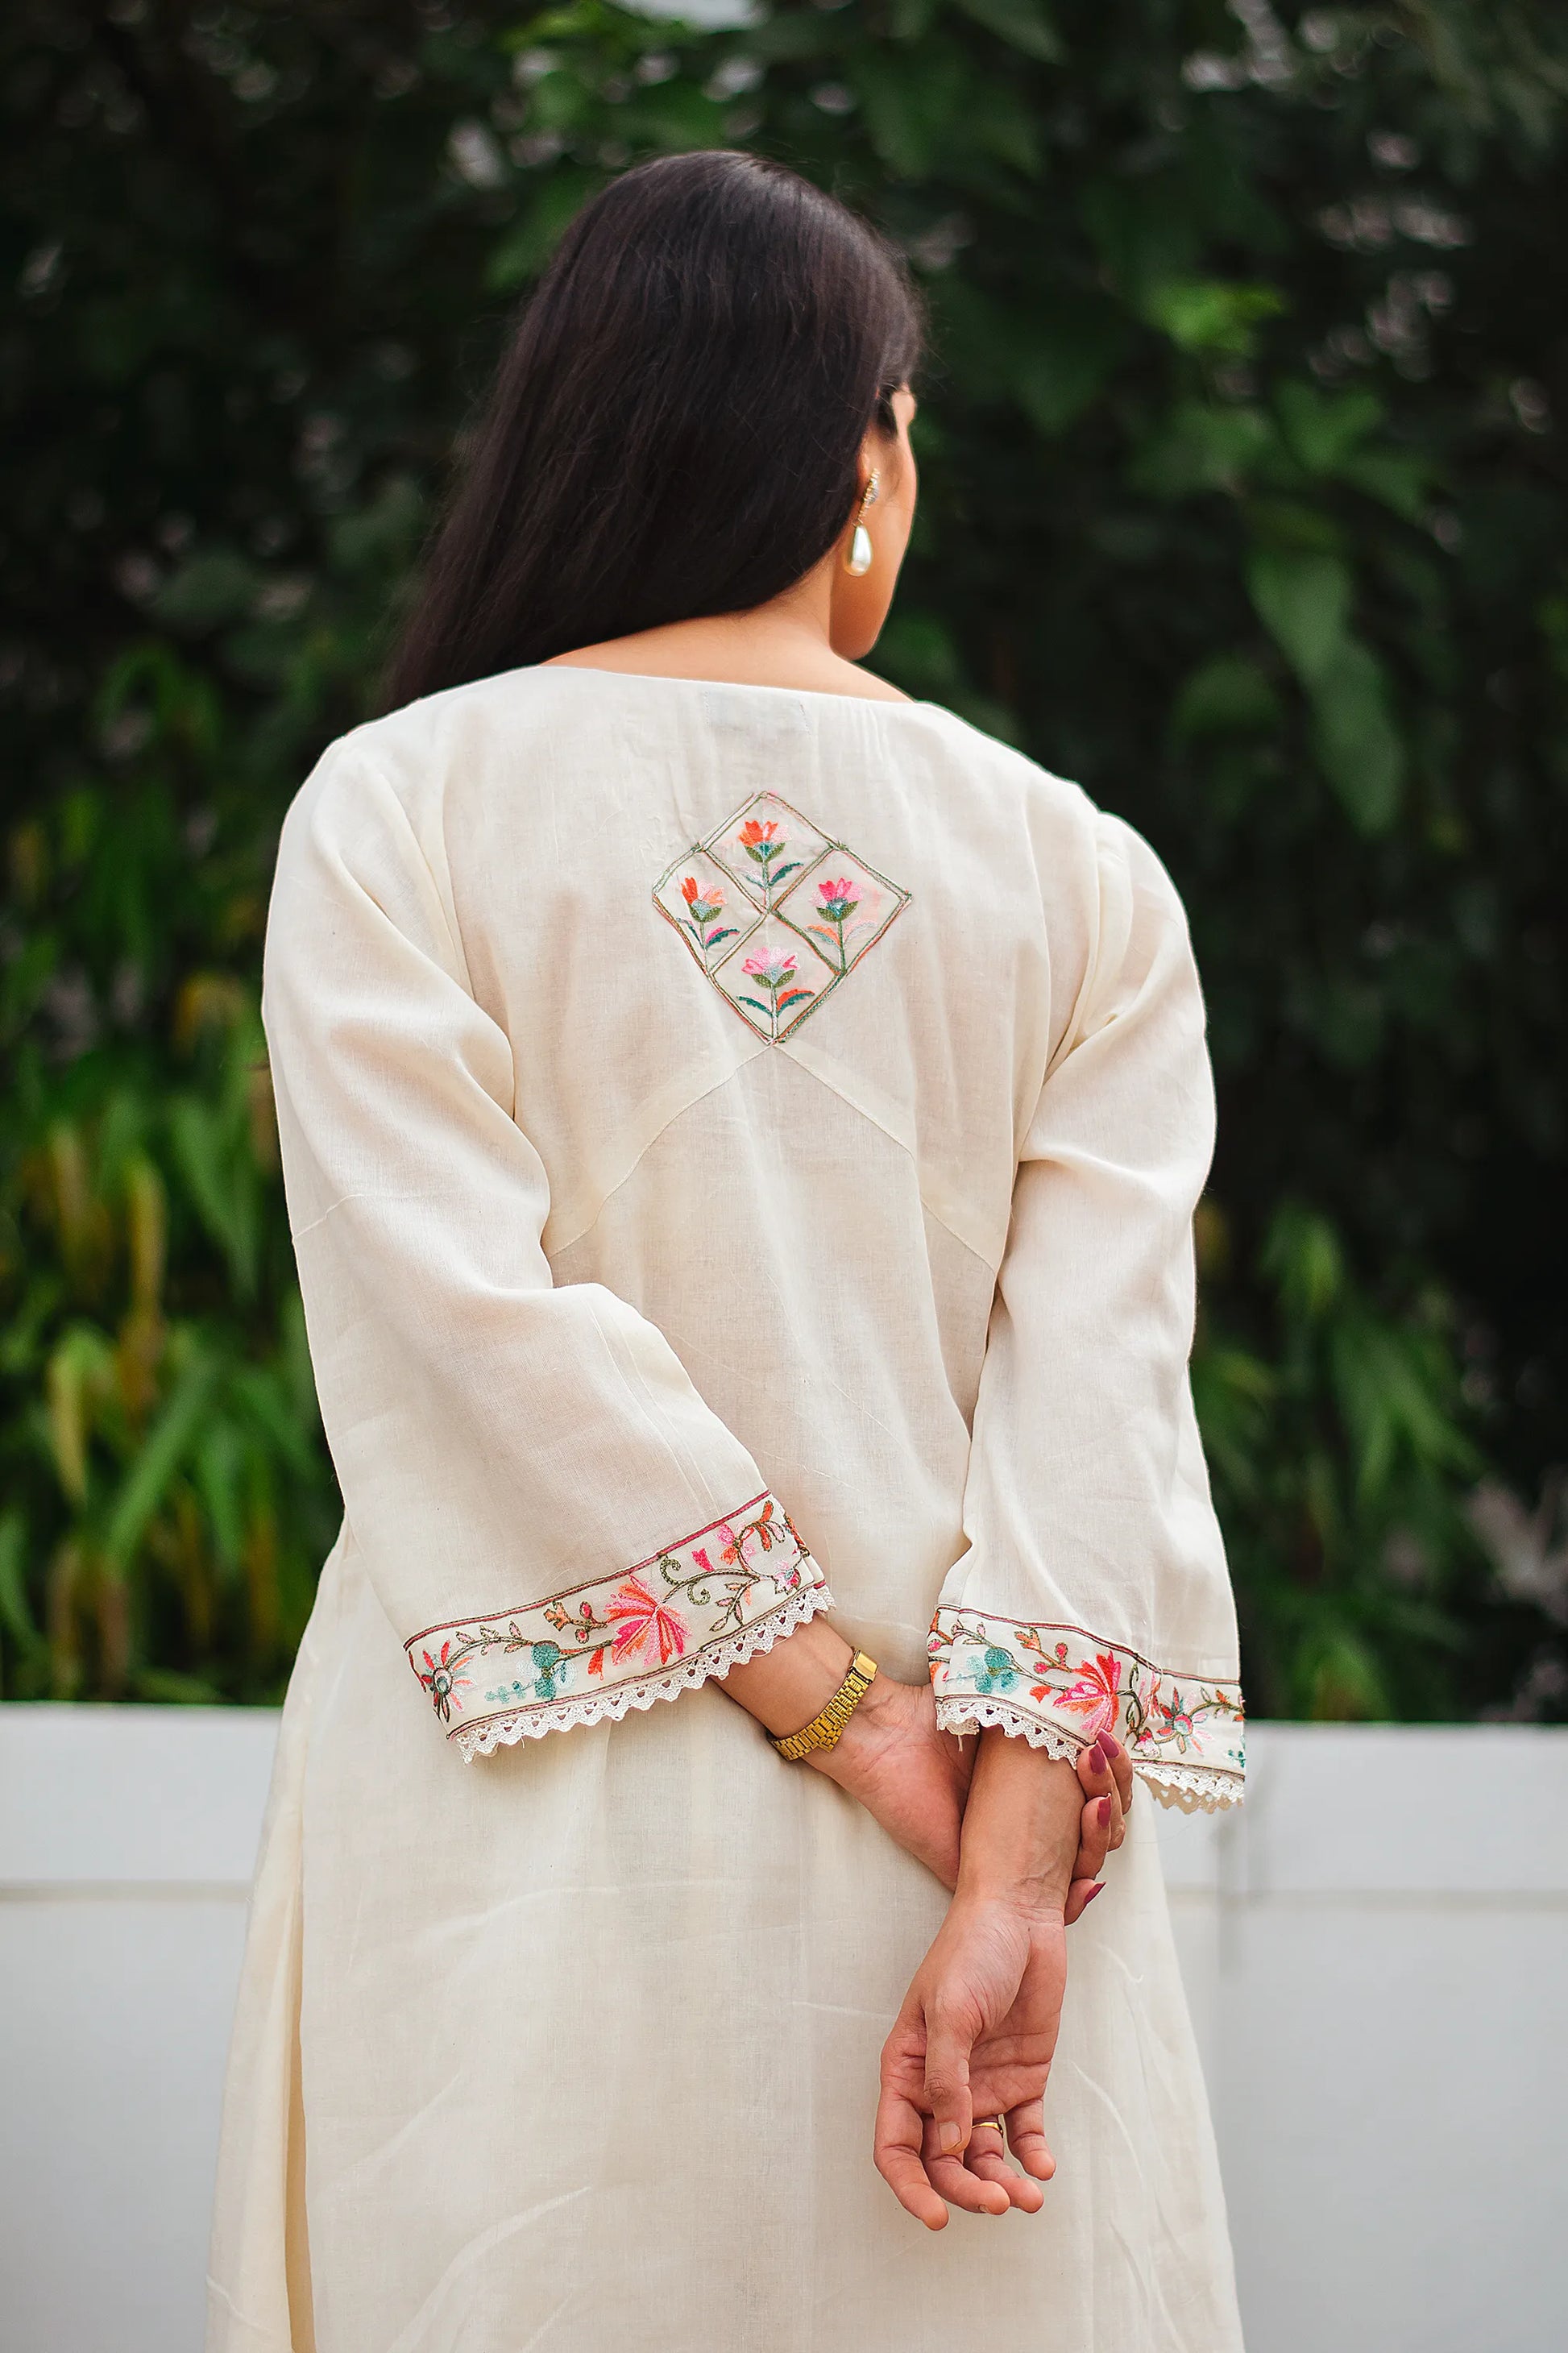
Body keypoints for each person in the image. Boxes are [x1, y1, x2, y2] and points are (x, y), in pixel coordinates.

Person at [207, 150, 1245, 2353]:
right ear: (863, 454)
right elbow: (1097, 1403)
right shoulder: (1079, 875)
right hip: (984, 1855)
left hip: (544, 1835)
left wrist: (850, 1731)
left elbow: (469, 1335)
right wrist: (989, 1863)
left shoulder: (399, 811)